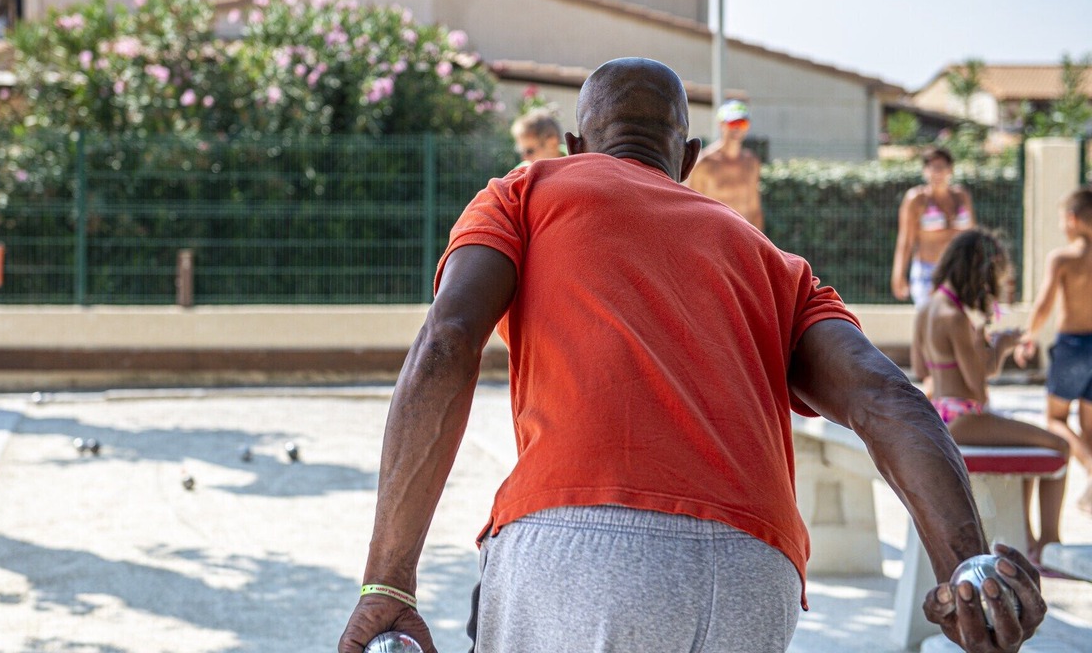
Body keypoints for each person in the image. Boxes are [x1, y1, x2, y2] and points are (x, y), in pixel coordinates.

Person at [339, 58, 1044, 653]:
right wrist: (969, 573)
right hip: (754, 572)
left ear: (577, 145)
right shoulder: (772, 262)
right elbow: (888, 399)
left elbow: (447, 341)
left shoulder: (525, 192)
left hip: (581, 544)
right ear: (688, 158)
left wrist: (387, 582)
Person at [912, 228, 1070, 564]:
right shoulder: (955, 317)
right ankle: (1048, 544)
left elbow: (920, 366)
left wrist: (976, 348)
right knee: (1059, 445)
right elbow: (978, 385)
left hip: (943, 414)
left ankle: (1027, 539)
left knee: (1027, 446)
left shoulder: (928, 306)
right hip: (965, 417)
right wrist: (1000, 347)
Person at [1015, 184, 1092, 515]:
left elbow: (1045, 302)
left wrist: (1028, 336)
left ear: (1072, 219)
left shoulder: (1063, 258)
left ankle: (1090, 469)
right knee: (1089, 427)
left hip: (1073, 346)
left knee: (1055, 418)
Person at [892, 147, 976, 307]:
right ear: (925, 171)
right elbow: (906, 241)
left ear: (950, 170)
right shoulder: (916, 199)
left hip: (958, 271)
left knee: (957, 320)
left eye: (941, 167)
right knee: (931, 318)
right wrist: (898, 275)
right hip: (927, 273)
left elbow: (972, 236)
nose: (937, 173)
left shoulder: (962, 196)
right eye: (932, 167)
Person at [686, 99, 764, 230]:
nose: (737, 128)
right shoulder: (705, 163)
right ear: (721, 124)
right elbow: (691, 207)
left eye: (742, 123)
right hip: (715, 236)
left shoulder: (752, 163)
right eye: (733, 122)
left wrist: (759, 239)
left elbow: (754, 208)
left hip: (744, 235)